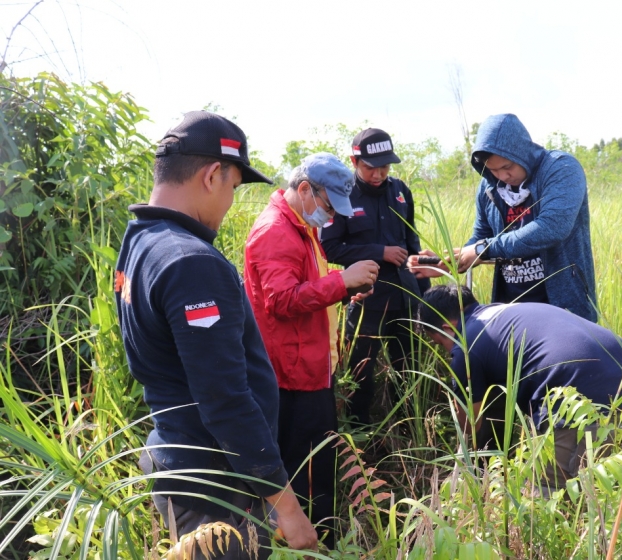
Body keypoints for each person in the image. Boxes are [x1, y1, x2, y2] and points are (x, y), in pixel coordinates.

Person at [115, 111, 317, 558]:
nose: (229, 202)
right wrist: (285, 506)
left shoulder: (140, 241)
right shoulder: (191, 263)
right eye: (233, 186)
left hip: (178, 460)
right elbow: (224, 398)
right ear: (212, 176)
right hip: (214, 487)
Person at [243, 152, 379, 548]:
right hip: (291, 376)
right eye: (328, 207)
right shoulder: (275, 231)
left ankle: (321, 543)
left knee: (319, 467)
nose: (330, 218)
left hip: (310, 367)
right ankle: (310, 547)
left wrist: (344, 290)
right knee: (305, 475)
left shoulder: (300, 226)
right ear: (305, 190)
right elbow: (281, 299)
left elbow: (304, 287)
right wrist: (341, 282)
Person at [417, 284, 622, 487]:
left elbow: (471, 425)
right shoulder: (507, 313)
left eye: (440, 343)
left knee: (550, 494)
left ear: (448, 328)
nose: (447, 351)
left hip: (577, 390)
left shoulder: (466, 347)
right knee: (616, 484)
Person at [409, 113, 597, 322]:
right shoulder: (489, 187)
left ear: (522, 153)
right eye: (493, 169)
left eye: (508, 167)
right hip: (511, 310)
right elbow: (482, 238)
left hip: (563, 306)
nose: (503, 176)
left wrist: (482, 249)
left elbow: (553, 226)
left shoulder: (560, 168)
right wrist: (453, 261)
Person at [320, 128, 427, 425]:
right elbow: (328, 248)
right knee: (361, 374)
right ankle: (361, 436)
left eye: (385, 166)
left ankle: (408, 430)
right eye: (370, 167)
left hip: (405, 299)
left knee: (408, 371)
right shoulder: (342, 195)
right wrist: (379, 252)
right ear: (354, 161)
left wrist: (423, 293)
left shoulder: (401, 191)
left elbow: (412, 246)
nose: (378, 174)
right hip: (366, 300)